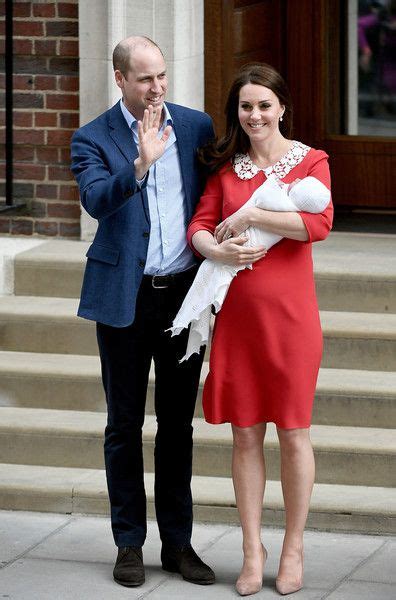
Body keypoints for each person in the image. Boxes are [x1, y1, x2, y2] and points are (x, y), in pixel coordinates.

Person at [70, 36, 215, 588]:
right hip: (124, 297)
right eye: (145, 79)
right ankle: (129, 543)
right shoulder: (92, 137)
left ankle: (178, 543)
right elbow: (96, 200)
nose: (157, 88)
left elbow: (221, 187)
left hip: (181, 294)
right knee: (123, 424)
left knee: (178, 424)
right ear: (120, 80)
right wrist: (139, 165)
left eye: (162, 76)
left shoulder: (195, 126)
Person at [188, 63, 333, 596]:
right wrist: (213, 247)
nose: (254, 115)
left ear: (282, 107)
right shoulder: (226, 169)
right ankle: (253, 548)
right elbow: (200, 225)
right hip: (239, 321)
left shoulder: (310, 161)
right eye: (246, 107)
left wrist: (251, 217)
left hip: (292, 321)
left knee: (294, 433)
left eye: (264, 105)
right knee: (245, 434)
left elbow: (317, 224)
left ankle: (293, 546)